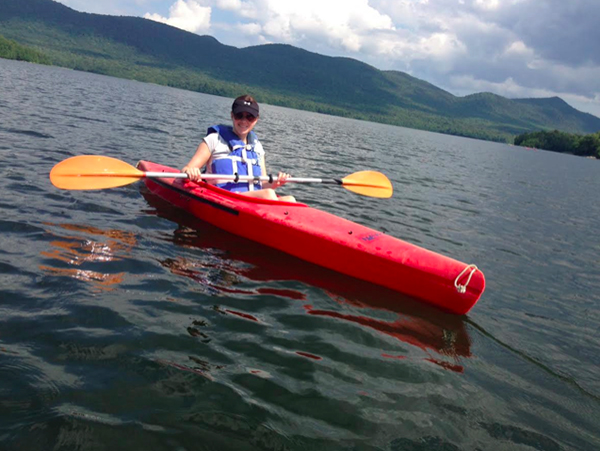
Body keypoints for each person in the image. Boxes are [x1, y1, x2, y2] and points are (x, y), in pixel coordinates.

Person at [182, 95, 296, 202]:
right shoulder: (214, 140)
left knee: (290, 199)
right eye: (239, 115)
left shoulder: (257, 146)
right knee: (269, 195)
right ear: (232, 115)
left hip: (251, 202)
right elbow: (186, 169)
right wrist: (191, 171)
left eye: (249, 117)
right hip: (225, 198)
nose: (244, 121)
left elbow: (262, 184)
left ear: (256, 119)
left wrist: (276, 183)